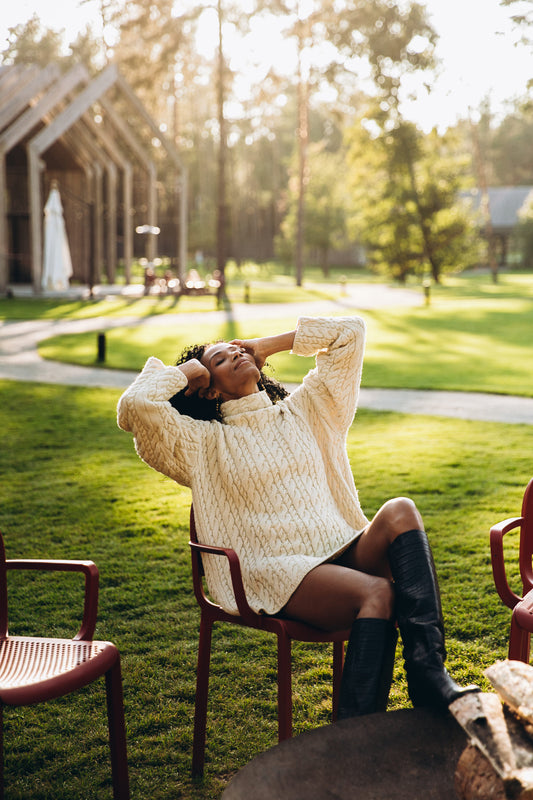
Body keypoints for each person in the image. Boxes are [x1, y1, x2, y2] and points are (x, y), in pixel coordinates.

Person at [117, 315, 478, 718]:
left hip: (339, 546)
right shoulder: (201, 444)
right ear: (207, 390)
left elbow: (350, 333)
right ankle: (355, 733)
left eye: (237, 348)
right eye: (220, 359)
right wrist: (187, 371)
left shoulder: (309, 410)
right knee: (379, 594)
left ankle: (429, 674)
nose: (235, 353)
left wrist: (267, 343)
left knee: (401, 509)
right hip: (274, 569)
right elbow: (135, 406)